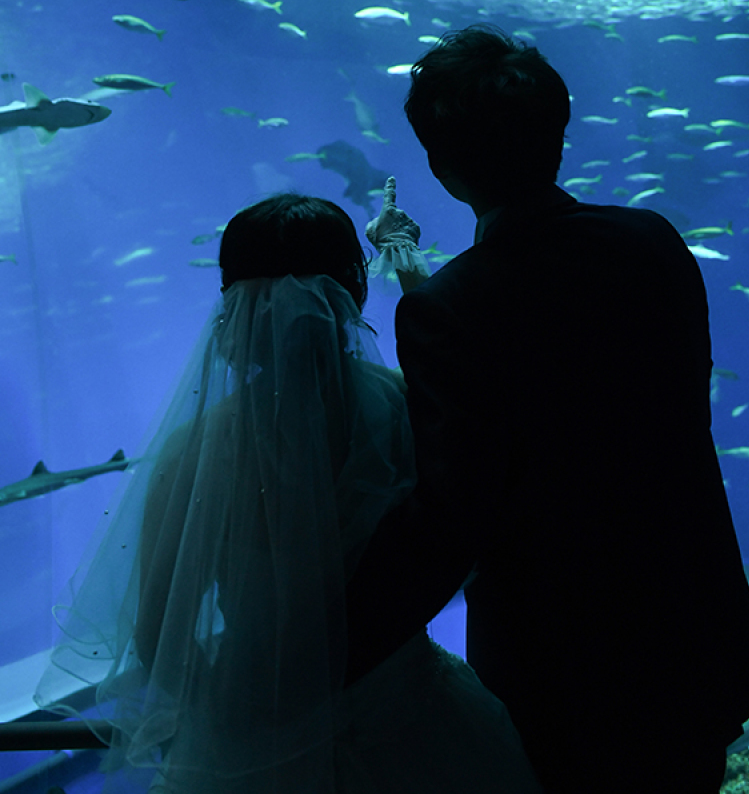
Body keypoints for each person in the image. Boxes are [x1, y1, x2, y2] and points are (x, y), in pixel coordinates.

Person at [344, 25, 749, 794]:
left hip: (562, 664)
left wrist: (335, 641)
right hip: (694, 634)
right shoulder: (652, 243)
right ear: (559, 133)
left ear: (441, 165)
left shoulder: (448, 309)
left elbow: (454, 507)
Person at [35, 194, 543, 794]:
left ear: (230, 300)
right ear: (352, 289)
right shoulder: (410, 411)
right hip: (408, 719)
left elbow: (155, 634)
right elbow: (469, 536)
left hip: (247, 738)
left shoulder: (195, 453)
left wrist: (239, 713)